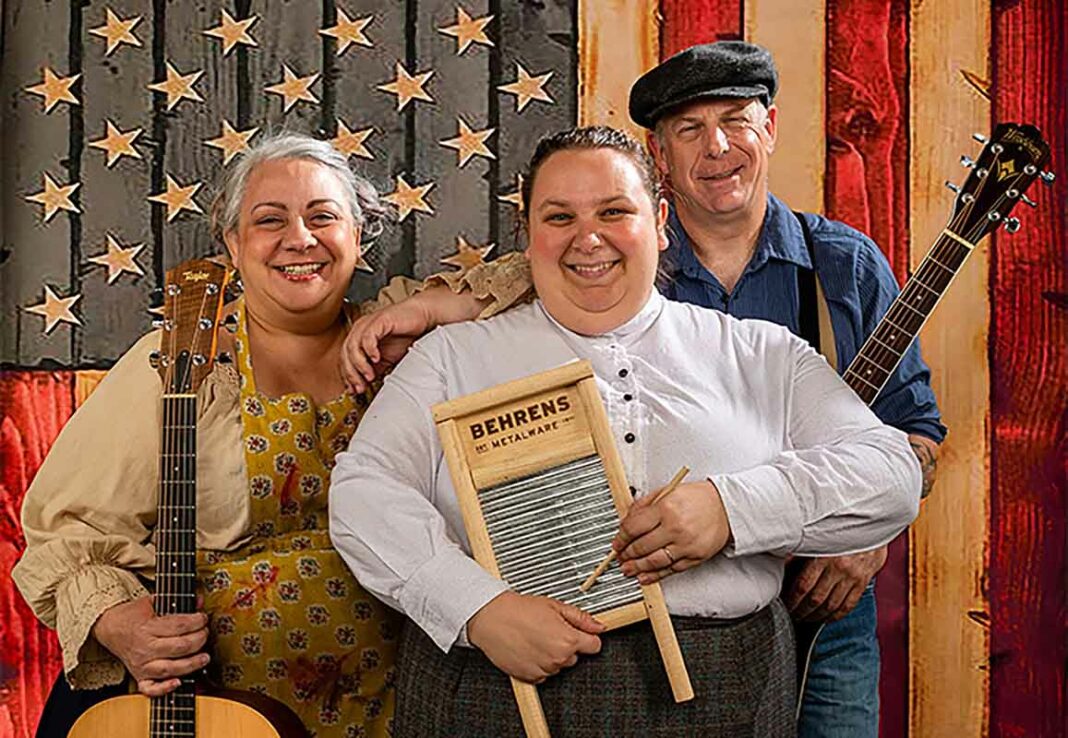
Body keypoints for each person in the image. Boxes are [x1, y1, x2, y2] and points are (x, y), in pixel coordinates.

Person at [328, 126, 922, 737]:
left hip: (725, 691)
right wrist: (476, 607)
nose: (589, 238)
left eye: (615, 211)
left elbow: (890, 475)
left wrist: (731, 509)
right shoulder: (450, 358)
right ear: (527, 237)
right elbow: (364, 493)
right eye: (559, 217)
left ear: (661, 221)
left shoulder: (759, 353)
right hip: (493, 685)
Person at [12, 132, 530, 738]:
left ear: (357, 236)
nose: (300, 239)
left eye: (323, 217)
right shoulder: (182, 363)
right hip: (219, 709)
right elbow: (68, 531)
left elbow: (563, 274)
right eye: (269, 220)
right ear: (232, 244)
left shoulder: (404, 344)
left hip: (397, 700)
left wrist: (430, 310)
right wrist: (117, 621)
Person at [626, 41, 945, 737]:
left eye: (737, 120)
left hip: (826, 607)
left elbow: (915, 431)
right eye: (690, 129)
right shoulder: (624, 271)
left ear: (768, 129)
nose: (718, 147)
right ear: (660, 155)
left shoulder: (844, 266)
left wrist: (868, 537)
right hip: (677, 607)